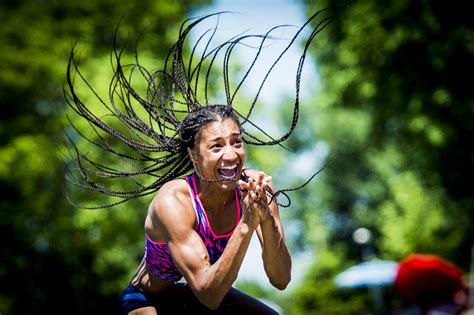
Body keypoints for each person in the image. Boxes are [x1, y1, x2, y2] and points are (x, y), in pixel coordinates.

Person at [64, 10, 333, 315]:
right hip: (148, 300)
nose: (231, 154)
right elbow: (208, 294)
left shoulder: (257, 188)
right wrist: (246, 224)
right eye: (216, 146)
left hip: (194, 295)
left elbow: (281, 279)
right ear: (194, 155)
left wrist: (265, 219)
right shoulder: (174, 201)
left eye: (236, 142)